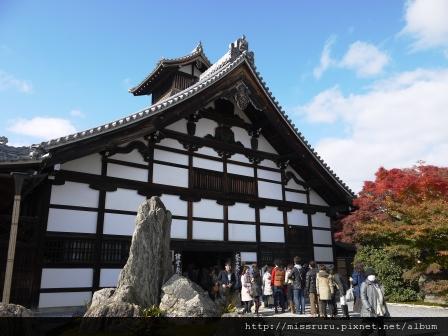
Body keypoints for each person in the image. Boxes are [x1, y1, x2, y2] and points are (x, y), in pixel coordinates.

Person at [360, 268, 389, 336]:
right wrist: (368, 307)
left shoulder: (377, 284)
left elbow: (381, 295)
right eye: (371, 275)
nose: (373, 276)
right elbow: (363, 297)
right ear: (367, 276)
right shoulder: (364, 284)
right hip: (370, 310)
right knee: (370, 328)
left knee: (381, 327)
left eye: (373, 274)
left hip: (379, 309)